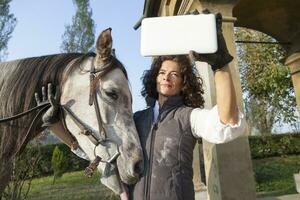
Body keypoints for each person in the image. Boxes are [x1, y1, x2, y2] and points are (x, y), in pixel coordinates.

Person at [123, 12, 247, 200]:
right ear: (154, 78)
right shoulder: (137, 119)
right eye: (162, 72)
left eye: (175, 74)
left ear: (184, 83)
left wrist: (220, 66)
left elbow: (227, 122)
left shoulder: (189, 117)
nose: (166, 77)